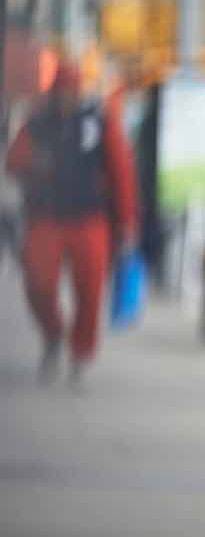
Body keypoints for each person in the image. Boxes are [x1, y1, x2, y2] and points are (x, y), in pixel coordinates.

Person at [5, 60, 139, 386]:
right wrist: (34, 164)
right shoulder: (37, 122)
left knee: (90, 291)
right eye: (62, 90)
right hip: (46, 217)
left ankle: (80, 350)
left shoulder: (99, 122)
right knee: (39, 283)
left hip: (89, 218)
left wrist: (128, 224)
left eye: (72, 90)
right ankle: (53, 333)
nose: (67, 97)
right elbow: (13, 161)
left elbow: (121, 174)